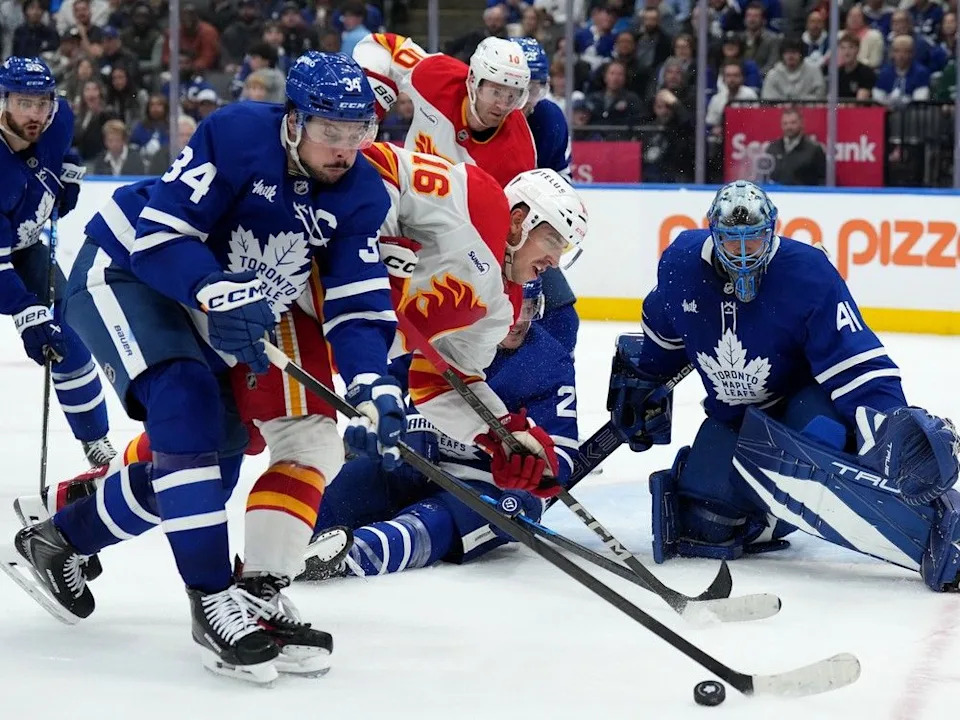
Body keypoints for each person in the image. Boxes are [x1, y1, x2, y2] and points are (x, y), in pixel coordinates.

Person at [5, 52, 403, 684]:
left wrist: (371, 379)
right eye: (331, 130)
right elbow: (161, 236)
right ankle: (213, 602)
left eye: (358, 133)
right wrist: (216, 290)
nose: (344, 149)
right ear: (294, 121)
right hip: (128, 272)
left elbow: (357, 301)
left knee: (212, 468)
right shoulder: (238, 133)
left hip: (208, 308)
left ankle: (60, 539)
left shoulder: (361, 193)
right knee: (185, 405)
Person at [605, 181, 960, 592]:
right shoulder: (681, 263)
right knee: (704, 526)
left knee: (819, 443)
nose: (743, 253)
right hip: (734, 417)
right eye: (732, 241)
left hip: (798, 404)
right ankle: (771, 511)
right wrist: (644, 382)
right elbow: (663, 331)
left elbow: (855, 362)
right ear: (713, 234)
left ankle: (934, 523)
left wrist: (886, 421)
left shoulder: (807, 272)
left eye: (753, 240)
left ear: (772, 231)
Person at [303, 279, 579, 580]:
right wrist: (376, 413)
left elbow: (561, 453)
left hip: (480, 485)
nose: (520, 321)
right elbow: (390, 378)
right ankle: (284, 543)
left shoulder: (549, 360)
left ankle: (349, 558)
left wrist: (528, 489)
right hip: (408, 463)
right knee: (338, 491)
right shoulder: (449, 327)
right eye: (515, 308)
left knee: (430, 523)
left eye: (530, 309)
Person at [0, 57, 114, 472]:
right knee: (39, 324)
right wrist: (26, 312)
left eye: (42, 103)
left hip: (26, 245)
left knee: (67, 335)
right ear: (3, 102)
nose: (36, 113)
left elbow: (64, 149)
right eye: (24, 103)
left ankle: (95, 437)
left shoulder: (59, 119)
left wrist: (67, 172)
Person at [352, 32, 534, 189]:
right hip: (403, 193)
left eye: (512, 97)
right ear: (473, 81)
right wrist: (371, 97)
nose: (502, 105)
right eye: (495, 92)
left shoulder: (518, 154)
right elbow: (380, 44)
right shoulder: (438, 75)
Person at [511, 36, 580, 355]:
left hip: (524, 236)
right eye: (520, 88)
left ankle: (550, 381)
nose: (526, 100)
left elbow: (562, 189)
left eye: (536, 88)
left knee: (561, 318)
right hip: (476, 237)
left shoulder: (549, 119)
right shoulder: (477, 120)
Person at [766, 107, 826, 186]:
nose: (789, 127)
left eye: (793, 123)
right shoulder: (772, 148)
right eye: (785, 123)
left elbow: (823, 180)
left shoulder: (814, 149)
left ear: (801, 123)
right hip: (777, 193)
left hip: (804, 193)